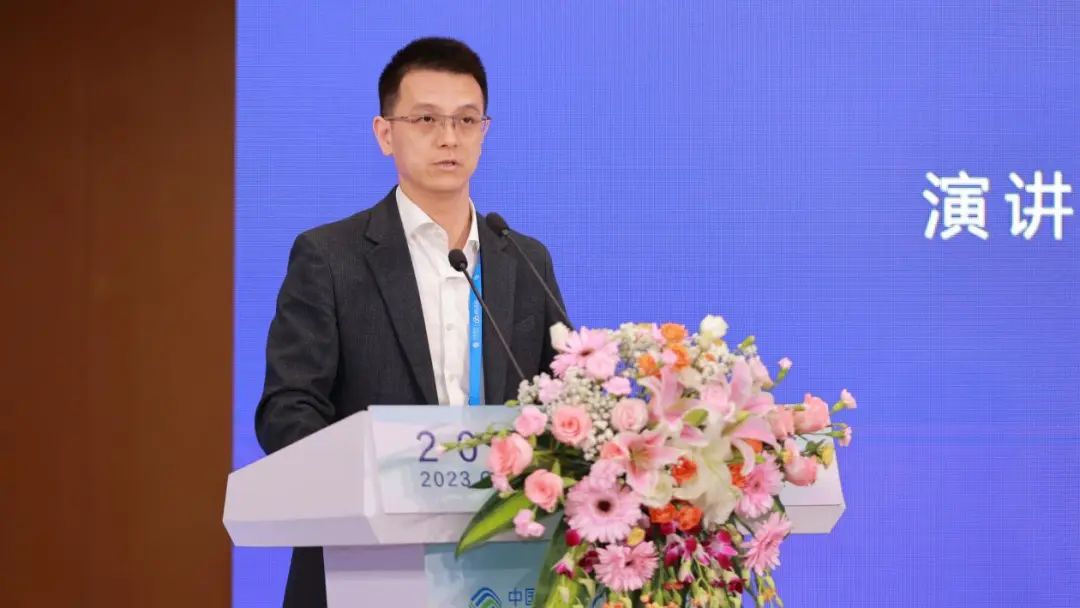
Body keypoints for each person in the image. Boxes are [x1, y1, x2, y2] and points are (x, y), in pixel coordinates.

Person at [253, 36, 569, 607]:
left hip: (503, 562)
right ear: (385, 134)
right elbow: (288, 410)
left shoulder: (524, 259)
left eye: (466, 120)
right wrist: (373, 483)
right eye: (426, 119)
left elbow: (563, 399)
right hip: (366, 562)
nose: (449, 137)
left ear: (484, 132)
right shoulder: (330, 256)